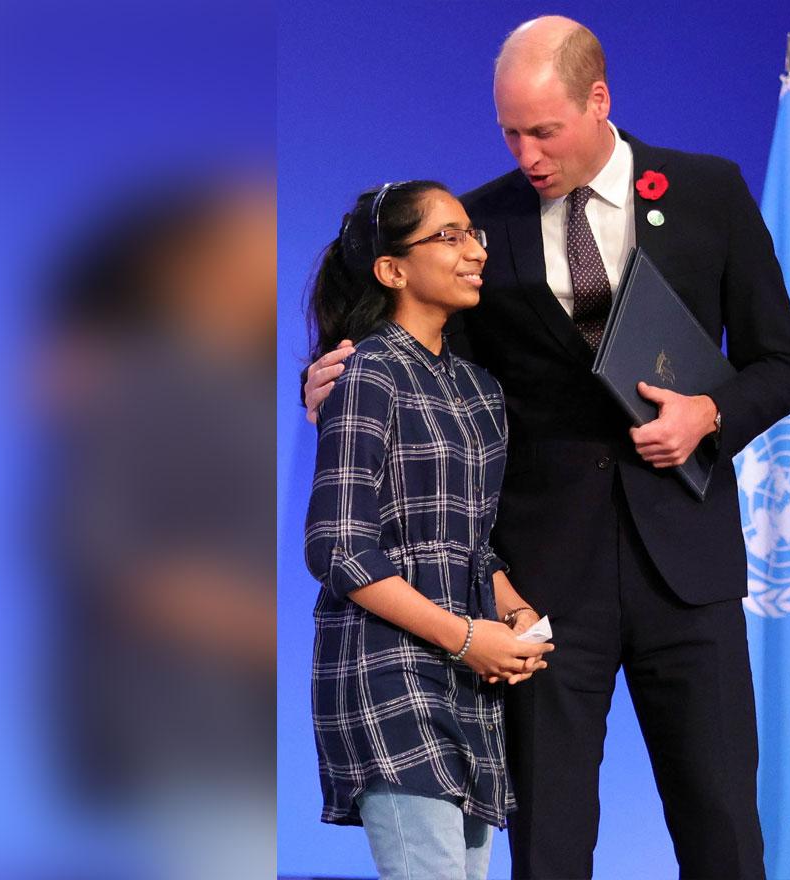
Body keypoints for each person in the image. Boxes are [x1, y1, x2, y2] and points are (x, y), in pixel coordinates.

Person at [304, 18, 790, 878]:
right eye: (510, 131)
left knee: (723, 823)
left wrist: (709, 416)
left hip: (686, 570)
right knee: (547, 838)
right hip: (537, 582)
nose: (527, 153)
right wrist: (327, 381)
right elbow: (426, 370)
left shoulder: (705, 192)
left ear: (598, 99)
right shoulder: (480, 224)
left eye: (544, 130)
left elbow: (780, 365)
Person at [303, 180, 555, 880]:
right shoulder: (367, 374)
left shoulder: (479, 390)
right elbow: (339, 548)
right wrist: (468, 637)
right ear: (392, 270)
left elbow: (474, 542)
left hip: (467, 681)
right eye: (448, 236)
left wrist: (512, 610)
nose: (475, 249)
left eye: (472, 233)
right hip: (391, 670)